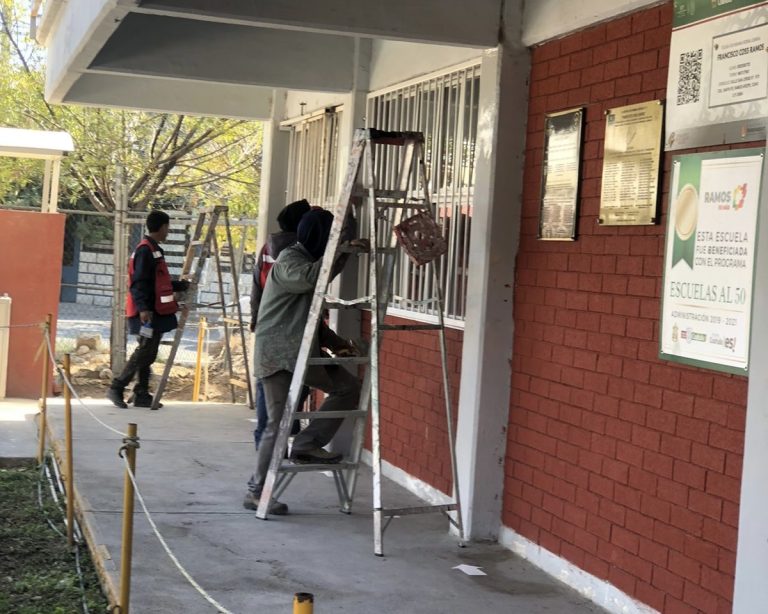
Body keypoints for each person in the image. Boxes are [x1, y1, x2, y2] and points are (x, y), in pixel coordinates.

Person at [244, 208, 362, 514]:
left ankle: (307, 443)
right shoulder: (290, 260)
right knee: (275, 424)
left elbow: (312, 319)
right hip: (278, 355)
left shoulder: (306, 260)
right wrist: (340, 248)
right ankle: (257, 491)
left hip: (299, 353)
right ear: (319, 237)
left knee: (348, 387)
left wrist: (337, 344)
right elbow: (312, 278)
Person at [107, 210, 189, 409]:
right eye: (167, 227)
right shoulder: (145, 250)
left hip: (155, 310)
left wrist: (179, 285)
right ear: (162, 227)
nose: (168, 231)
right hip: (147, 311)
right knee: (146, 351)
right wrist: (143, 308)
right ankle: (117, 387)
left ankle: (141, 392)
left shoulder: (153, 249)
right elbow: (139, 283)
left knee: (149, 351)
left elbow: (157, 281)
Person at [249, 199, 310, 449]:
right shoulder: (300, 251)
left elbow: (255, 284)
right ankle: (277, 439)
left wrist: (255, 317)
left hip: (266, 323)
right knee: (295, 382)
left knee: (269, 385)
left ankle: (266, 440)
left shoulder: (267, 248)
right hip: (290, 326)